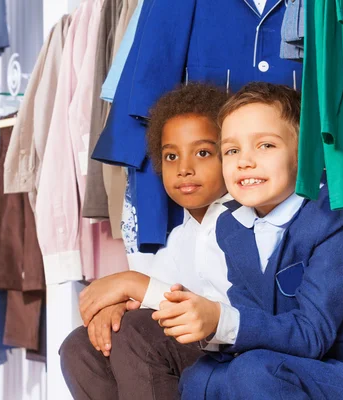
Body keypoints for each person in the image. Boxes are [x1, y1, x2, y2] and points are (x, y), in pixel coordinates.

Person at [154, 82, 343, 399]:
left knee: (255, 371)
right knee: (201, 377)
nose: (245, 161)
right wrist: (206, 326)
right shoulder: (231, 227)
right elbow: (258, 318)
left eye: (265, 146)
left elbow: (312, 334)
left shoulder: (339, 219)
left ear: (305, 153)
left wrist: (221, 319)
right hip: (301, 363)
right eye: (232, 150)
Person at [59, 83, 238, 400]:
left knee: (137, 334)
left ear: (229, 155)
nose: (184, 169)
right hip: (200, 354)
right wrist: (115, 308)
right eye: (171, 156)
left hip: (234, 356)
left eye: (202, 152)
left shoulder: (243, 223)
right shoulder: (182, 236)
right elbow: (156, 296)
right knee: (81, 346)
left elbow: (231, 316)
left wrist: (132, 283)